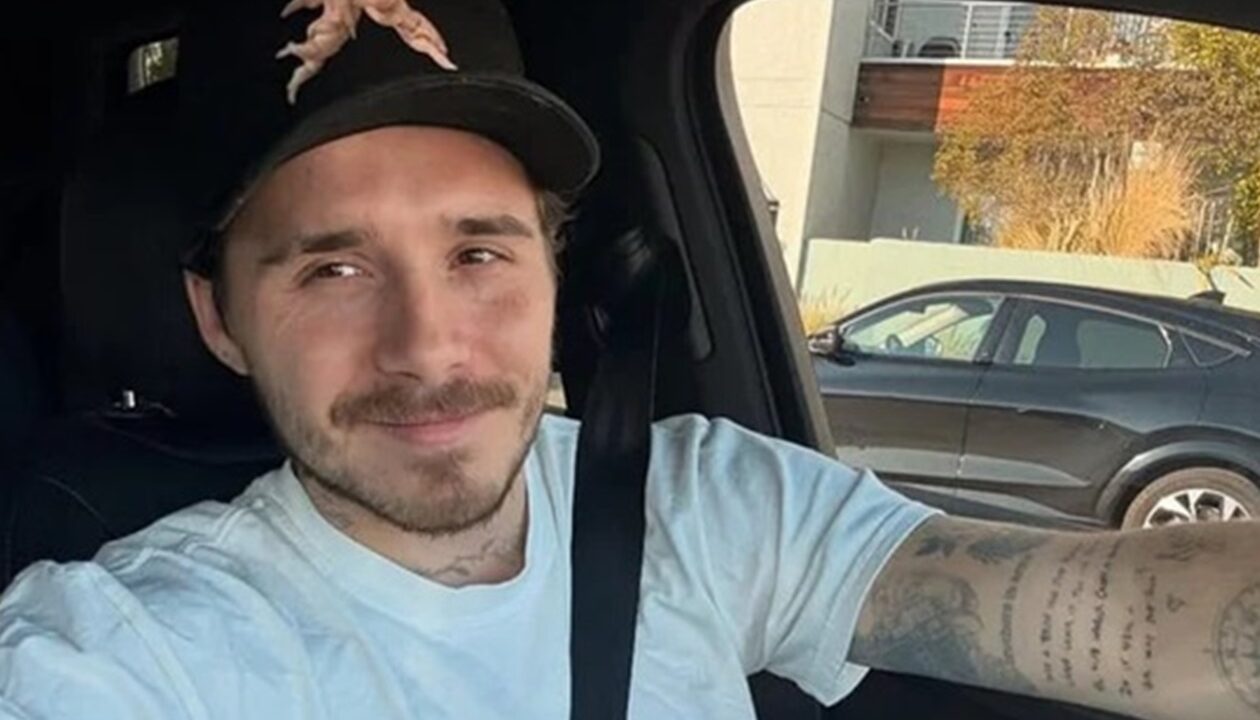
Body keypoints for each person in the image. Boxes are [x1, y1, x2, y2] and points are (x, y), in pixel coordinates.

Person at [1, 1, 1258, 719]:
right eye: (331, 269)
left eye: (479, 253)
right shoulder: (121, 651)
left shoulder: (708, 506)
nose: (426, 345)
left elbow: (1127, 614)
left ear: (557, 274)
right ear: (219, 317)